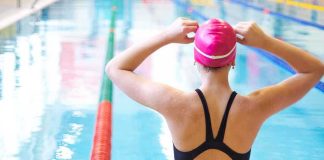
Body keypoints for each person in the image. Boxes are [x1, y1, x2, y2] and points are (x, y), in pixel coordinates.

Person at [106, 17, 324, 160]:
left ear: (195, 60)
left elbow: (115, 68)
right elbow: (314, 70)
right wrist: (266, 42)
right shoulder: (256, 106)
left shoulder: (173, 103)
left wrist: (166, 36)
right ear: (233, 61)